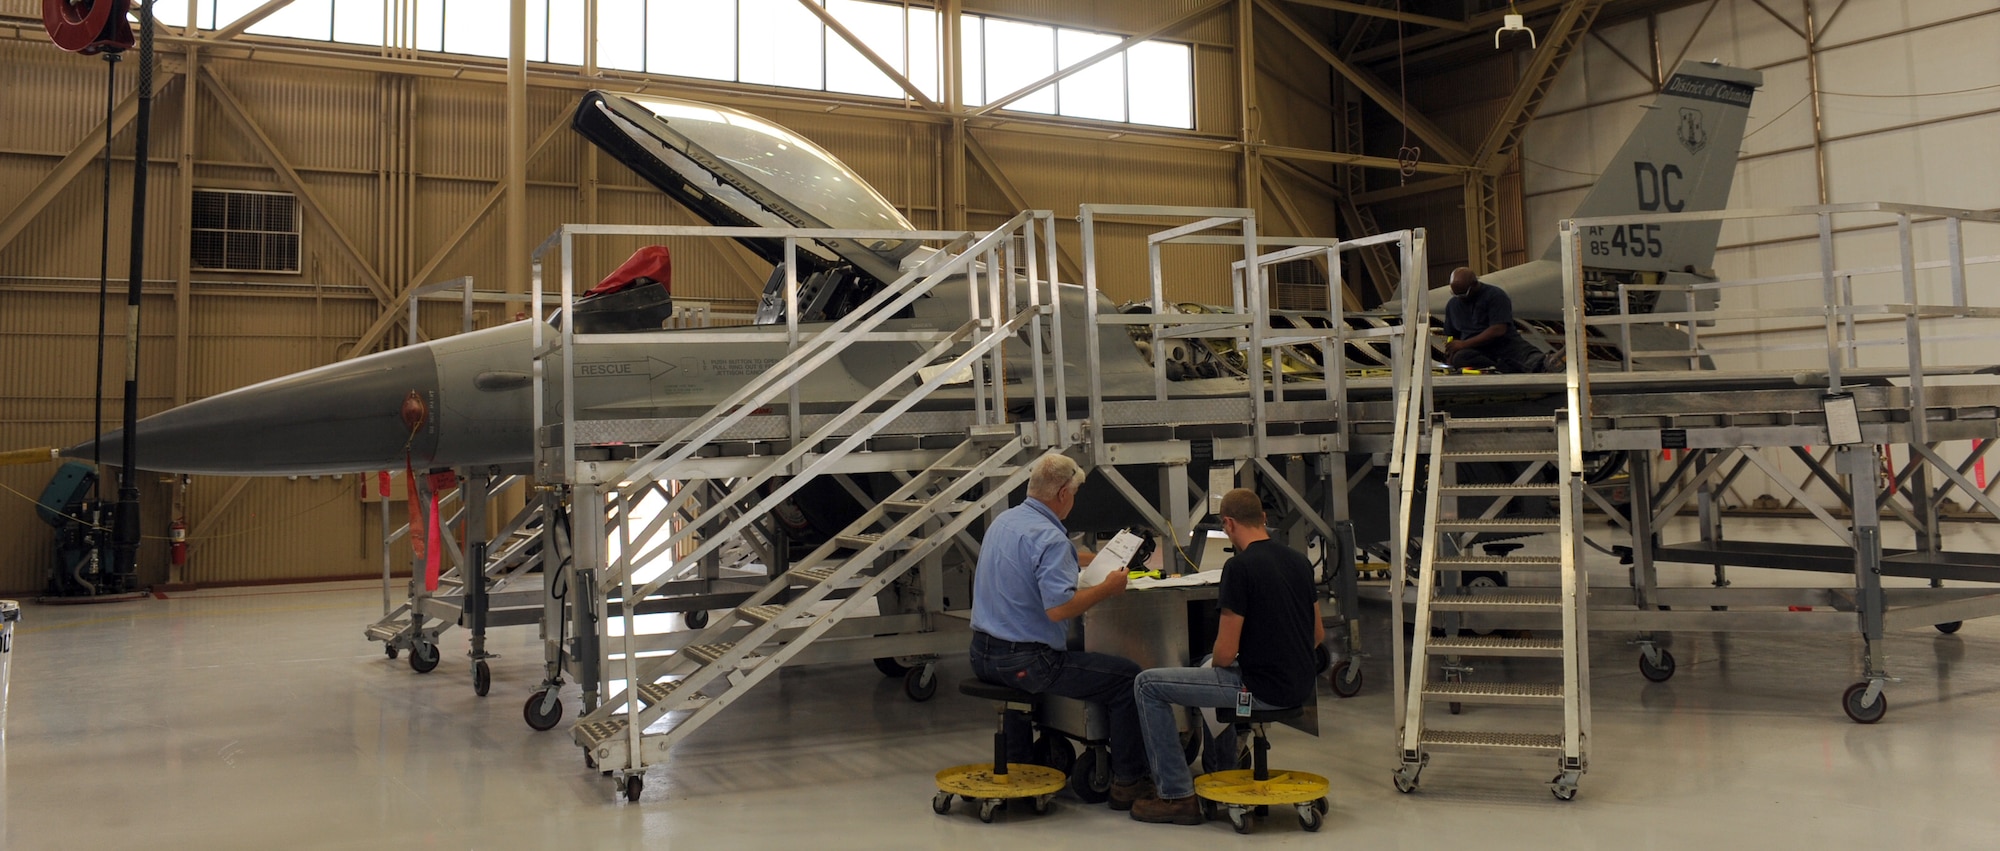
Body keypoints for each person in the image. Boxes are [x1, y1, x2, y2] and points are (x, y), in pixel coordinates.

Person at [968, 452, 1154, 809]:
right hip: (1026, 662)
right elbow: (1059, 610)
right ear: (1064, 494)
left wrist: (1100, 559)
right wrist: (1106, 589)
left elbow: (1051, 555)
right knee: (1128, 678)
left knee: (1024, 682)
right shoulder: (1050, 539)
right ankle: (1128, 780)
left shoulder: (1005, 522)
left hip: (982, 655)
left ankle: (1022, 769)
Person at [1129, 488, 1322, 825]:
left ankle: (1176, 795)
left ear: (1228, 524)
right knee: (1205, 669)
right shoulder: (1299, 562)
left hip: (1259, 688)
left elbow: (1225, 652)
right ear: (1263, 518)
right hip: (1300, 686)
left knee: (1148, 685)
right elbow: (1317, 635)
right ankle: (1221, 770)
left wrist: (1220, 662)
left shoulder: (1239, 567)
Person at [1441, 267, 1560, 374]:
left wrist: (1464, 344)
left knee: (1529, 359)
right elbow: (1452, 335)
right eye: (1457, 295)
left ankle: (1553, 363)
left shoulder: (1495, 296)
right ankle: (1501, 369)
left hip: (1504, 343)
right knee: (1461, 358)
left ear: (1474, 284)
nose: (1461, 299)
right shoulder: (1452, 305)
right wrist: (1451, 354)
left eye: (1463, 294)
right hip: (1476, 350)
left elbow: (1498, 329)